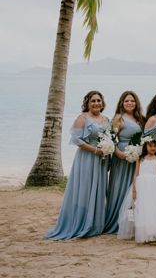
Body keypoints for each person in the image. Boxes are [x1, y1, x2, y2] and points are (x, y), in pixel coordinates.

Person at [46, 91, 110, 240]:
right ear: (87, 103)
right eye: (93, 101)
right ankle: (81, 222)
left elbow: (110, 137)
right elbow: (77, 140)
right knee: (85, 189)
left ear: (102, 103)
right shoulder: (83, 118)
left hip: (102, 159)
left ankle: (95, 224)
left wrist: (107, 150)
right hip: (87, 158)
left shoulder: (106, 119)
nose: (96, 103)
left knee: (98, 190)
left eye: (98, 100)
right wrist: (95, 150)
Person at [117, 137, 156, 243]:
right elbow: (136, 174)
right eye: (150, 146)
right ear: (145, 146)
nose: (153, 148)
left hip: (154, 185)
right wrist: (134, 190)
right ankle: (144, 232)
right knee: (142, 207)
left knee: (154, 207)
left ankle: (154, 232)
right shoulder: (140, 159)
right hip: (141, 185)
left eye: (155, 146)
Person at [103, 91, 144, 234]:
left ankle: (130, 222)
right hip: (121, 157)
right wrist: (118, 153)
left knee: (132, 188)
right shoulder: (118, 118)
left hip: (135, 157)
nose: (130, 103)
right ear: (122, 103)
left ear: (136, 103)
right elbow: (112, 138)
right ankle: (115, 222)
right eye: (126, 101)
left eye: (132, 101)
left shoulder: (139, 119)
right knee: (119, 186)